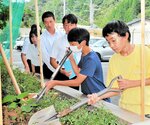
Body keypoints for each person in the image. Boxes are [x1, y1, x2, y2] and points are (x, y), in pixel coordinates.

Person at [88, 20, 150, 115]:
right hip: (125, 109)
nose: (111, 46)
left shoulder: (144, 52)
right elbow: (116, 88)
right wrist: (98, 96)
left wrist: (131, 83)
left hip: (146, 110)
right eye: (108, 42)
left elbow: (128, 84)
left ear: (125, 35)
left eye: (113, 40)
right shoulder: (113, 60)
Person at [45, 28, 110, 102]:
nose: (71, 47)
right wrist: (71, 59)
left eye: (73, 44)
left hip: (99, 97)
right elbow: (78, 73)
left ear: (83, 43)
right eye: (70, 44)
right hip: (90, 95)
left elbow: (77, 82)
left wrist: (55, 82)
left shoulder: (91, 59)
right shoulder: (84, 54)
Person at [50, 14, 80, 89]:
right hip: (62, 74)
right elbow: (52, 60)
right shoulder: (58, 41)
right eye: (66, 25)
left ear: (76, 25)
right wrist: (61, 71)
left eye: (71, 24)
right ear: (63, 26)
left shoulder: (81, 41)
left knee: (75, 97)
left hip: (76, 75)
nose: (69, 27)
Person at [40, 11, 68, 80]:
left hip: (65, 67)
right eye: (46, 22)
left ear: (54, 20)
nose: (49, 24)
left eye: (51, 21)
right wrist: (57, 69)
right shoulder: (41, 38)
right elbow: (45, 57)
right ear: (43, 23)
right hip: (50, 69)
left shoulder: (62, 35)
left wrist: (64, 68)